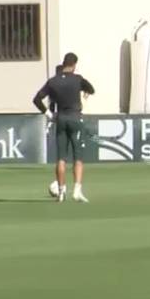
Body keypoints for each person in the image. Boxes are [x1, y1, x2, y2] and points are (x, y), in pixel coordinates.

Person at [33, 53, 95, 202]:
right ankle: (77, 190)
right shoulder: (77, 79)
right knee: (78, 157)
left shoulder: (53, 82)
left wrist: (49, 114)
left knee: (61, 158)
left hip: (60, 118)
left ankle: (61, 192)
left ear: (63, 63)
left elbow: (37, 99)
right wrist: (84, 93)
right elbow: (91, 89)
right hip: (75, 118)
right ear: (74, 65)